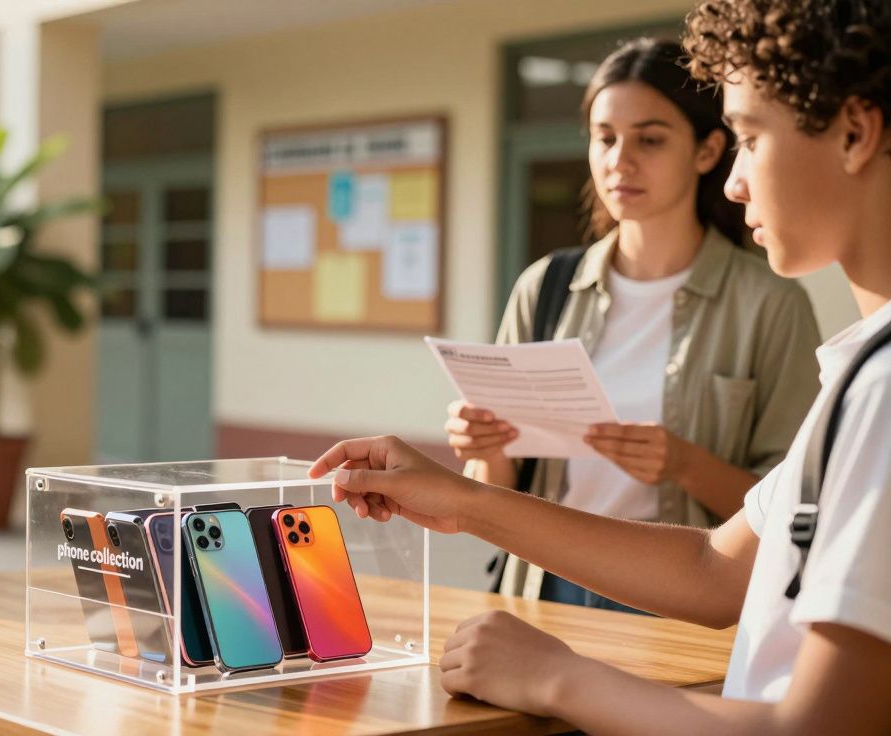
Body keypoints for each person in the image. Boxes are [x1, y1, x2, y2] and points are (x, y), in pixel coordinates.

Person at [313, 1, 891, 729]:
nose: (738, 182)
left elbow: (822, 727)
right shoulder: (861, 374)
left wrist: (557, 677)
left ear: (856, 132)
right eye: (605, 137)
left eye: (748, 138)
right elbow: (717, 569)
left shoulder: (878, 389)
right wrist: (463, 499)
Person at [447, 38, 821, 611]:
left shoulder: (770, 304)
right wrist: (485, 447)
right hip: (546, 587)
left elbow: (799, 509)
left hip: (684, 599)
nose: (620, 160)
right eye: (605, 138)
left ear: (707, 150)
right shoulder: (544, 287)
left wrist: (686, 466)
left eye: (649, 139)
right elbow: (493, 491)